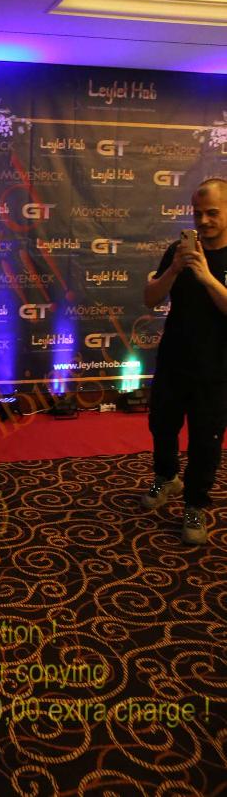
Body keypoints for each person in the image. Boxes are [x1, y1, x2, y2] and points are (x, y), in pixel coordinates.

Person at [142, 177, 227, 545]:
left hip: (216, 370)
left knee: (205, 442)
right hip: (173, 361)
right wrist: (173, 270)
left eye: (212, 213)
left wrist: (206, 277)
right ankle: (167, 477)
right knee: (161, 426)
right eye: (197, 213)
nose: (203, 221)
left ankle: (195, 504)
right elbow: (150, 298)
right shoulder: (177, 251)